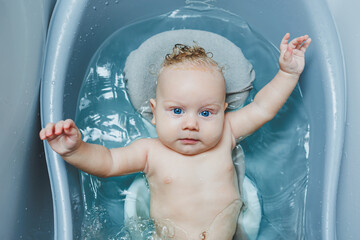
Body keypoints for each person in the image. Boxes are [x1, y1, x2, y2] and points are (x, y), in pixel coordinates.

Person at [40, 33, 311, 240]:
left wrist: (287, 73)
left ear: (223, 111)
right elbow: (108, 162)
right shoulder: (150, 152)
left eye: (206, 113)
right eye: (177, 110)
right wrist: (75, 150)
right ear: (155, 113)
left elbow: (263, 108)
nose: (191, 124)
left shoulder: (227, 131)